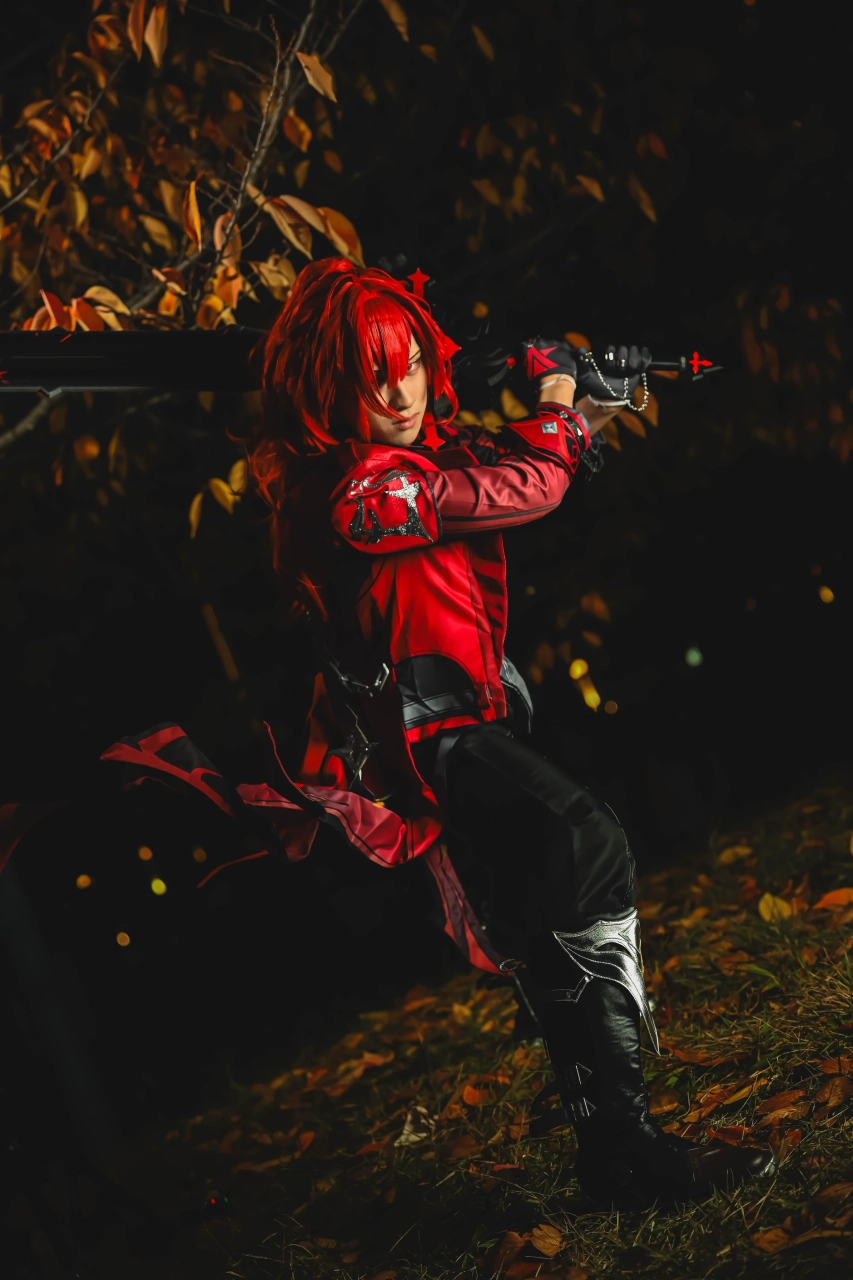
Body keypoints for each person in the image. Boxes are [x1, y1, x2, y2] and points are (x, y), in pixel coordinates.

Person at [102, 257, 773, 1206]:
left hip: (462, 724)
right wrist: (555, 400)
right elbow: (527, 485)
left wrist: (583, 398)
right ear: (329, 389)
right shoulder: (356, 493)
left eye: (411, 363)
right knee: (586, 846)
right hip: (425, 746)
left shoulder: (410, 462)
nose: (400, 392)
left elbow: (509, 464)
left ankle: (615, 1156)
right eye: (371, 375)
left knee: (550, 913)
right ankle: (626, 1151)